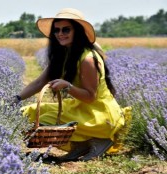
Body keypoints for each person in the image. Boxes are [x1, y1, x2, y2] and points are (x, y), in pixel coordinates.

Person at [13, 8, 131, 162]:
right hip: (81, 108)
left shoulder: (87, 58)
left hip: (98, 113)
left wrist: (67, 86)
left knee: (46, 117)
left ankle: (100, 138)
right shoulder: (63, 55)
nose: (60, 33)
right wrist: (16, 98)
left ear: (78, 31)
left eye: (66, 29)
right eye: (57, 30)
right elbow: (40, 82)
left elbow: (90, 97)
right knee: (28, 112)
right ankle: (81, 144)